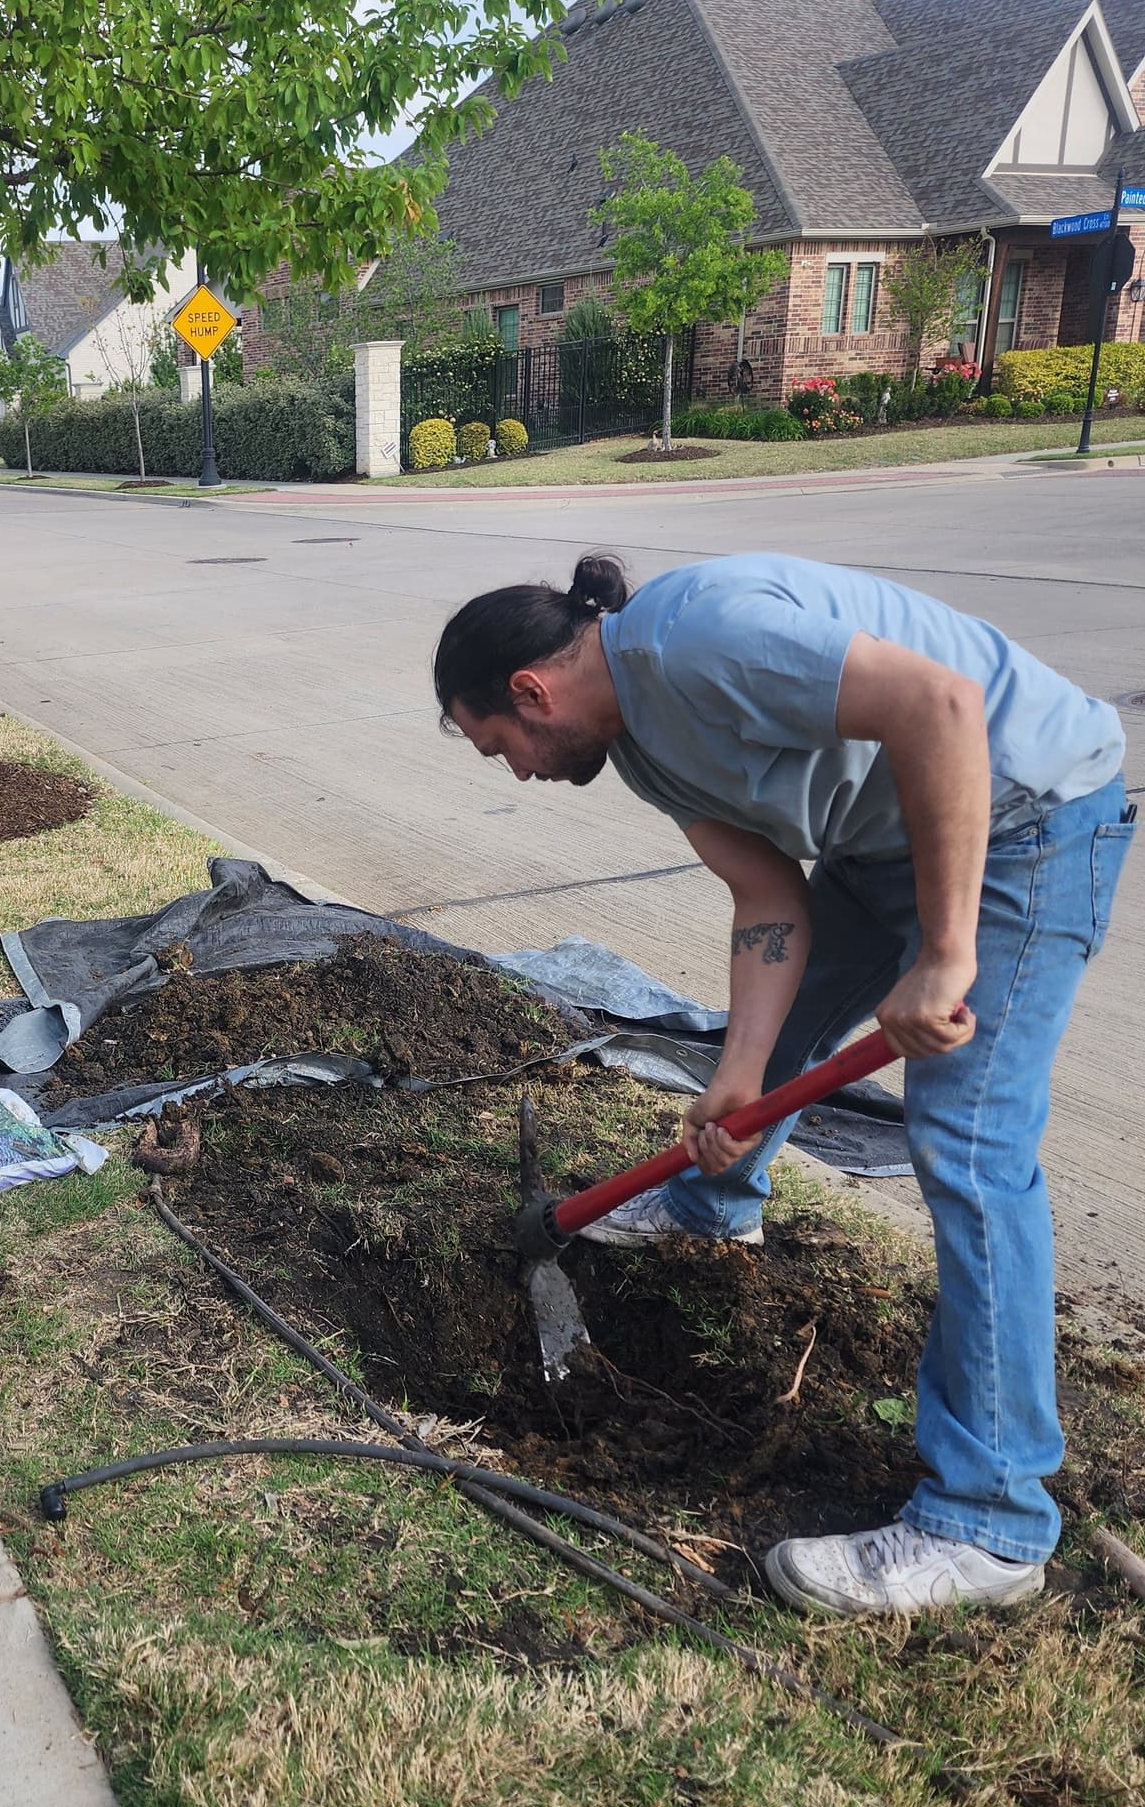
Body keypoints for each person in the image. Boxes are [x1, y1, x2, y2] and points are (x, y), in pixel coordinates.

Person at [434, 550, 1133, 1620]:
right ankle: (716, 1206)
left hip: (1023, 825)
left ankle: (992, 1521)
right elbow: (770, 900)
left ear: (530, 691)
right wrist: (741, 1078)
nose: (518, 771)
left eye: (500, 747)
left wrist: (945, 954)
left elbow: (939, 706)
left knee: (970, 1141)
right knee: (774, 1038)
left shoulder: (697, 639)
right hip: (880, 845)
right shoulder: (642, 752)